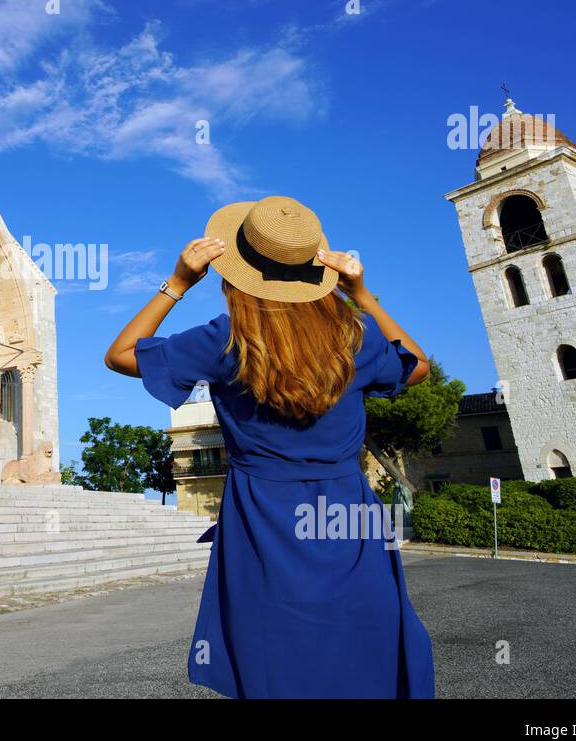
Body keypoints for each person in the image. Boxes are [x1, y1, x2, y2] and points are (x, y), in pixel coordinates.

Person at [104, 195, 435, 699]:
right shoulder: (356, 334)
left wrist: (177, 283)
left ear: (239, 271)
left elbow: (121, 355)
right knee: (364, 646)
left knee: (275, 654)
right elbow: (417, 366)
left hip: (263, 513)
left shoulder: (226, 338)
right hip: (349, 512)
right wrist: (362, 295)